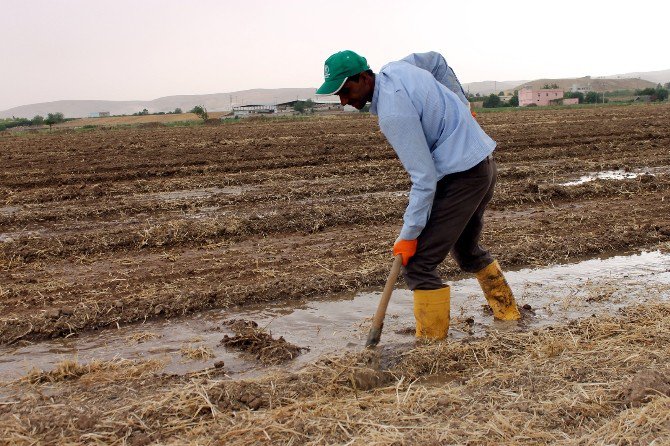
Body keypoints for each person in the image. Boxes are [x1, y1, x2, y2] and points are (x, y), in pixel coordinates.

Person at [316, 50, 521, 340]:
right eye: (338, 95)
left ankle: (431, 347)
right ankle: (510, 316)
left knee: (419, 265)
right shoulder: (396, 69)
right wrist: (461, 103)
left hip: (463, 175)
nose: (344, 101)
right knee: (466, 251)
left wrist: (408, 235)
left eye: (346, 91)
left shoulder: (393, 113)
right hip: (482, 164)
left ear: (364, 78)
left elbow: (424, 180)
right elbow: (436, 60)